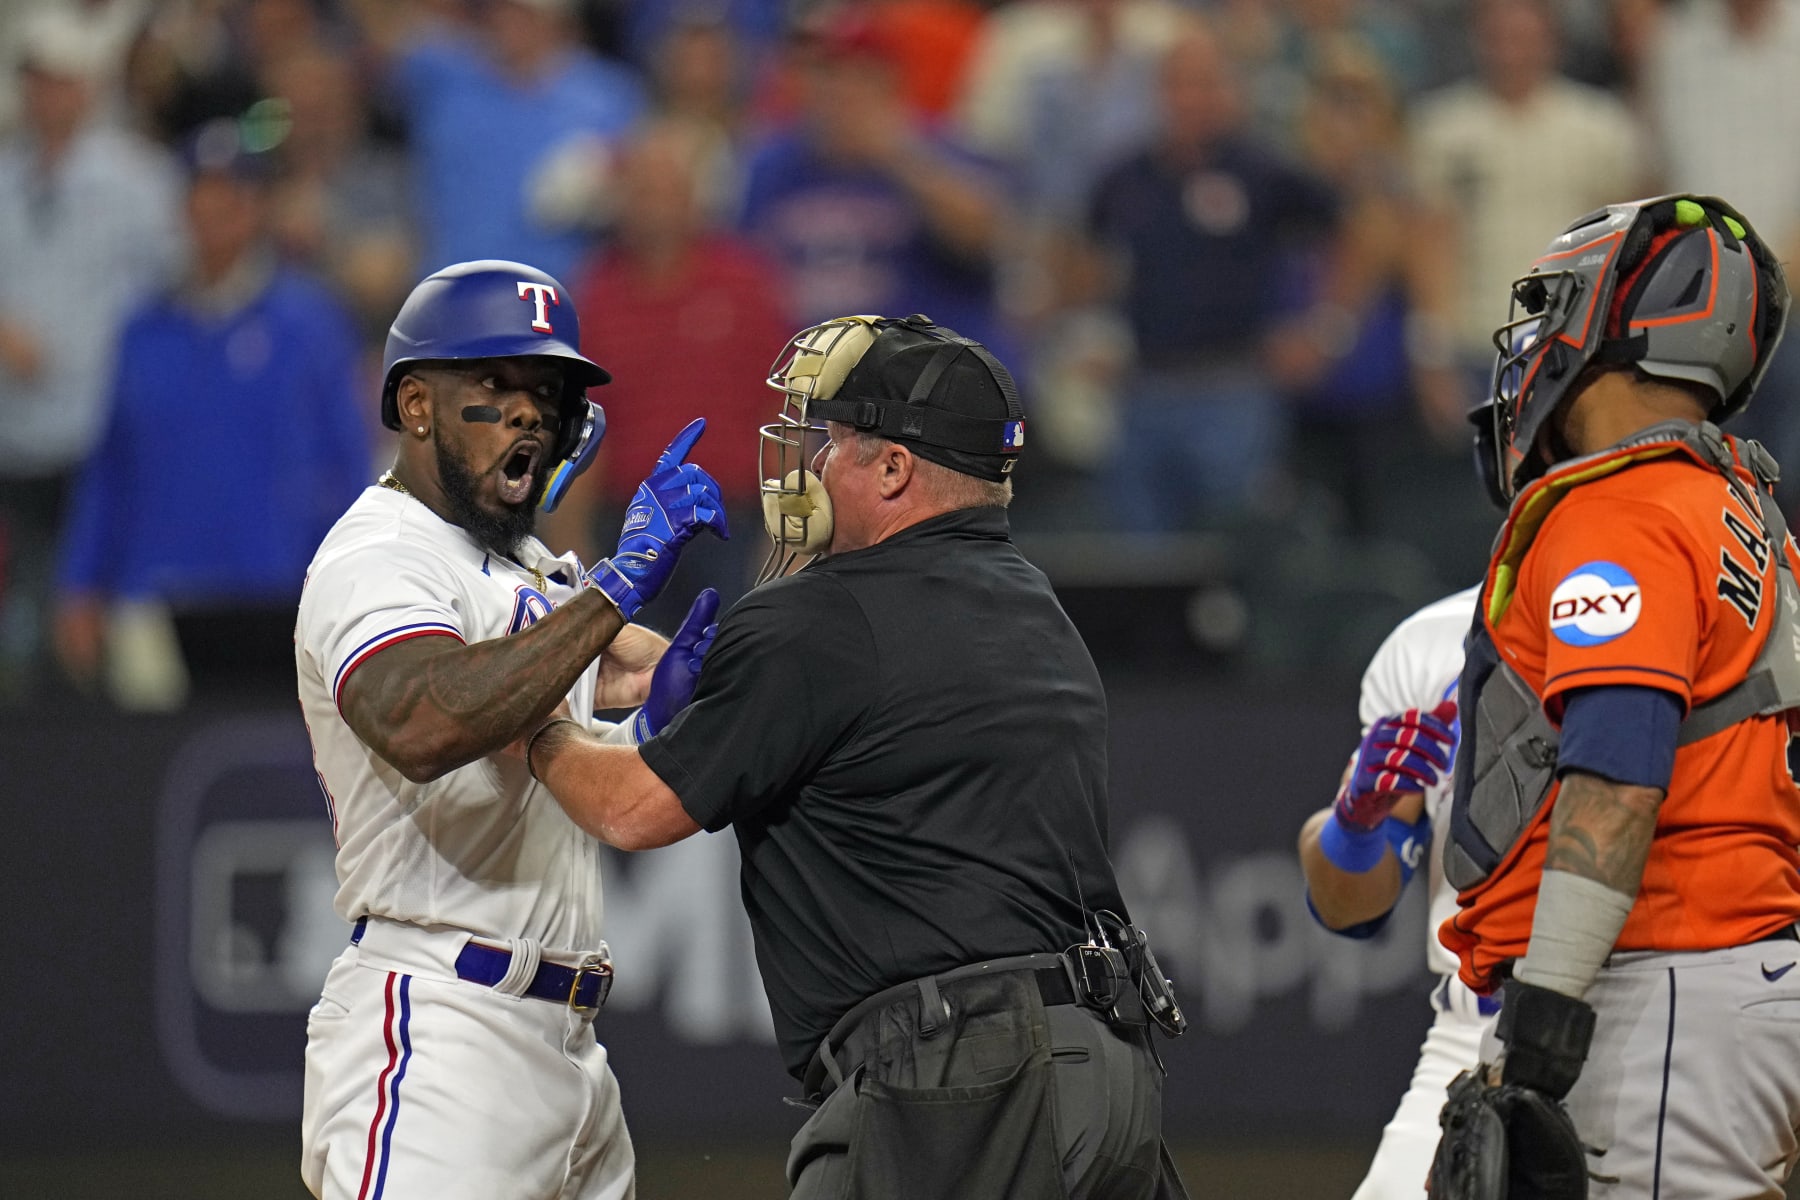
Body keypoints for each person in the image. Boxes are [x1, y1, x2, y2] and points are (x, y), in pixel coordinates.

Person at [514, 313, 1191, 1199]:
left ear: (895, 468)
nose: (810, 463)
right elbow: (821, 692)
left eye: (832, 439)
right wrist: (616, 659)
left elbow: (630, 809)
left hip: (962, 1080)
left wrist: (525, 720)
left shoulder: (819, 619)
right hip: (1106, 1062)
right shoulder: (1031, 604)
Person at [293, 258, 729, 1200]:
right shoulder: (378, 554)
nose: (530, 411)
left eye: (548, 390)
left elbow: (547, 765)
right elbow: (421, 718)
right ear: (416, 405)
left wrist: (649, 716)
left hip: (569, 1053)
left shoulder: (528, 567)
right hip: (441, 1029)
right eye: (494, 384)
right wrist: (611, 594)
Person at [1428, 194, 1800, 1198]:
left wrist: (1547, 1003)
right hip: (1721, 976)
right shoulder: (1735, 504)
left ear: (1628, 327)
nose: (1539, 336)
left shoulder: (1621, 512)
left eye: (1560, 304)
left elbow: (1619, 772)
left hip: (1661, 980)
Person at [52, 119, 362, 708]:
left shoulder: (309, 324)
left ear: (259, 209)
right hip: (154, 595)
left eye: (234, 196)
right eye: (203, 195)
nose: (217, 211)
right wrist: (81, 584)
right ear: (182, 210)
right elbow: (110, 470)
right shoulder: (143, 330)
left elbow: (345, 468)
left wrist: (349, 593)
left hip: (277, 597)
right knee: (148, 775)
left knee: (266, 774)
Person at [0, 5, 182, 700]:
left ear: (86, 88)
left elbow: (174, 286)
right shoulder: (5, 182)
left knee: (106, 618)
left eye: (61, 81)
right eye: (36, 81)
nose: (48, 96)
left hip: (103, 435)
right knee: (28, 621)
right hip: (16, 440)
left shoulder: (137, 182)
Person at [1297, 586, 1488, 1199]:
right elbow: (1346, 909)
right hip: (1477, 1034)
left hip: (1645, 1020)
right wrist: (1355, 825)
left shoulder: (1690, 600)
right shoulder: (1435, 641)